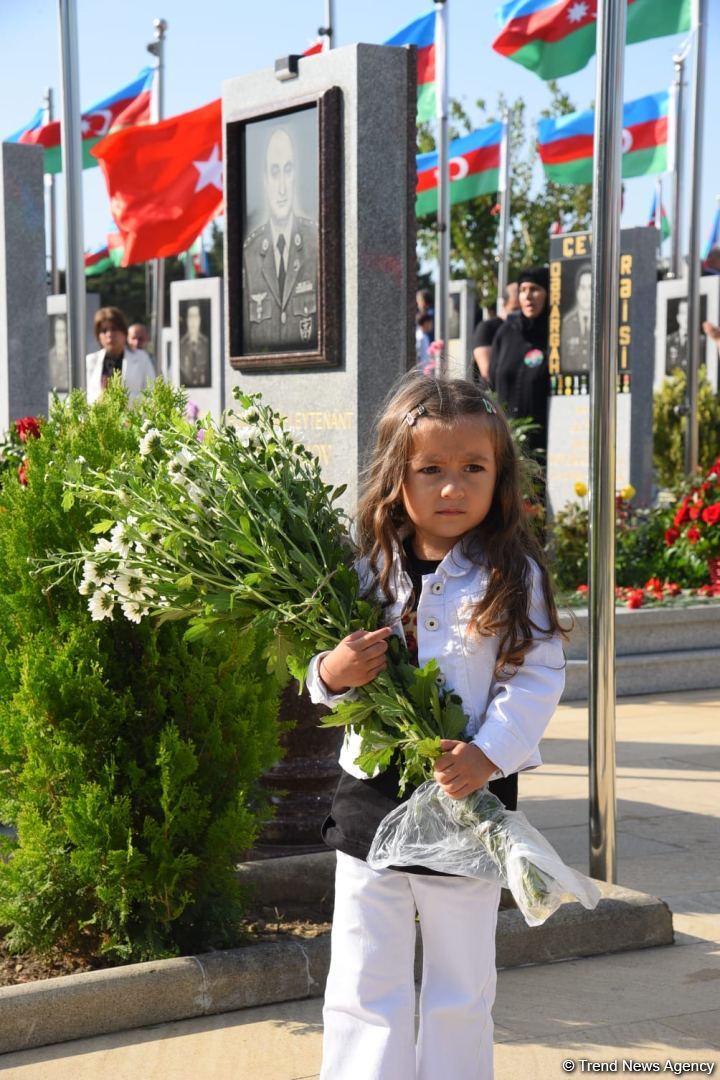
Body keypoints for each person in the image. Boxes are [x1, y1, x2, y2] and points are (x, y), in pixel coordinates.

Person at [307, 373, 565, 1079]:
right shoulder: (365, 567)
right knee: (365, 968)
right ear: (397, 476)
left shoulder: (513, 572)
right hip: (371, 797)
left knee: (459, 980)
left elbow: (536, 674)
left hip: (464, 799)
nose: (452, 488)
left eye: (472, 470)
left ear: (499, 477)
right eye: (432, 471)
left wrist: (488, 755)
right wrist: (331, 672)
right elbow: (316, 670)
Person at [242, 126, 318, 353]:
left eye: (288, 170)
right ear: (265, 179)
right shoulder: (250, 254)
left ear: (295, 175)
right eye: (275, 172)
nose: (282, 187)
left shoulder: (316, 243)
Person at [85, 306, 155, 405]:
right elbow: (85, 397)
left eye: (114, 329)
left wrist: (121, 398)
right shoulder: (91, 360)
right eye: (104, 330)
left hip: (132, 419)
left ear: (124, 331)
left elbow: (152, 395)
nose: (109, 334)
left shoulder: (141, 358)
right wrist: (102, 396)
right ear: (98, 336)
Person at [472, 282, 519, 382]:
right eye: (515, 310)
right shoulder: (487, 328)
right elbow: (487, 373)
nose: (518, 315)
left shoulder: (525, 328)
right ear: (504, 305)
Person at [560, 264, 592, 372]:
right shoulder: (567, 323)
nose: (586, 294)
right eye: (582, 288)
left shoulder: (605, 323)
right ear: (577, 291)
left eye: (590, 288)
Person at [179, 303, 211, 387]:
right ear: (186, 320)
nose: (193, 321)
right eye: (190, 317)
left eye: (196, 316)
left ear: (200, 319)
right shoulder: (180, 345)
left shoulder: (206, 343)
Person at [48, 315, 69, 391]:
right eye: (58, 331)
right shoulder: (49, 356)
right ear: (54, 333)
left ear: (66, 333)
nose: (60, 335)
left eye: (62, 331)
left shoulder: (71, 355)